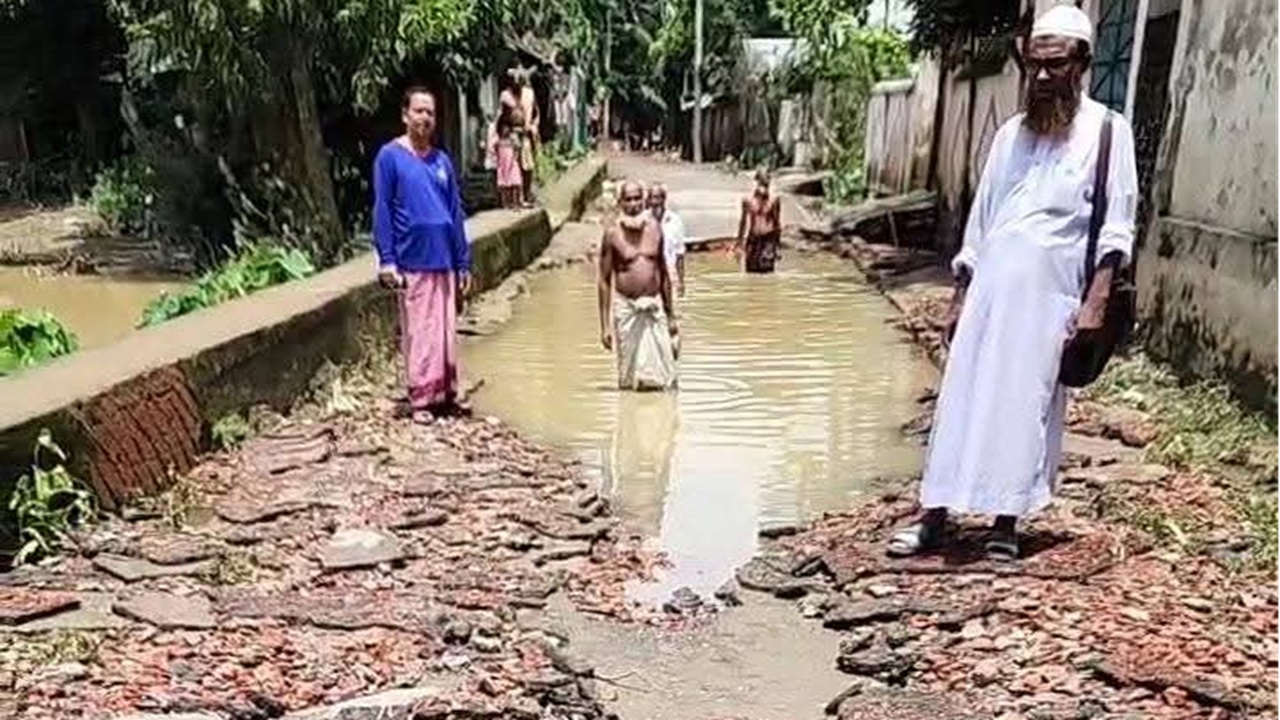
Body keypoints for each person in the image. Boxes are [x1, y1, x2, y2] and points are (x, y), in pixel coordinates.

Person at [886, 4, 1138, 562]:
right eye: (1035, 66)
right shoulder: (1009, 135)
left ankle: (1006, 520)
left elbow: (1117, 229)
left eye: (1055, 65)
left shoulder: (1107, 133)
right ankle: (934, 517)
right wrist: (959, 295)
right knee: (961, 400)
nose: (1043, 77)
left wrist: (1094, 304)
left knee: (1025, 406)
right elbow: (982, 220)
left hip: (1051, 298)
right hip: (990, 293)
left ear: (1082, 63)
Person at [371, 87, 474, 424]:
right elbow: (383, 208)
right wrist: (387, 259)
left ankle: (444, 394)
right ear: (405, 115)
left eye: (430, 112)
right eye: (419, 111)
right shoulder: (390, 157)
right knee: (420, 330)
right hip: (411, 257)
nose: (425, 118)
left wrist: (463, 261)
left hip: (443, 257)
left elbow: (455, 212)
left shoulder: (441, 160)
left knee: (444, 330)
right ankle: (421, 399)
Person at [597, 181, 679, 391]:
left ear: (643, 201)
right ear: (620, 203)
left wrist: (671, 316)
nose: (633, 204)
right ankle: (628, 420)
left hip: (654, 308)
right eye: (628, 199)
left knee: (667, 378)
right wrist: (605, 326)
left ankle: (665, 422)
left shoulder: (655, 229)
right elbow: (604, 280)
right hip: (627, 310)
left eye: (637, 199)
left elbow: (664, 274)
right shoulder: (612, 234)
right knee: (628, 378)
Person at [500, 66, 539, 207]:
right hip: (511, 135)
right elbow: (503, 117)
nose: (517, 84)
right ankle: (515, 199)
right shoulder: (506, 96)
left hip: (526, 134)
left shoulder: (529, 95)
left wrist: (533, 127)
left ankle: (526, 196)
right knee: (512, 167)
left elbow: (535, 113)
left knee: (527, 166)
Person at [736, 168, 781, 273]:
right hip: (753, 239)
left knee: (767, 272)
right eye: (761, 182)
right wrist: (739, 244)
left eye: (766, 183)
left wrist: (777, 246)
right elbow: (743, 222)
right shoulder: (748, 201)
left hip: (768, 240)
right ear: (756, 182)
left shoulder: (774, 201)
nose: (764, 186)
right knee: (750, 272)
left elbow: (777, 223)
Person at [647, 184, 687, 297]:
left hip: (669, 272)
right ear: (648, 200)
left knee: (671, 310)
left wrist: (681, 281)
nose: (655, 201)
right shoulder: (643, 220)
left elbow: (680, 254)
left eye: (658, 197)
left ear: (664, 199)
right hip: (648, 274)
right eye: (652, 197)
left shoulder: (675, 221)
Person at [489, 110, 523, 208]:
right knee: (504, 184)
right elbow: (492, 148)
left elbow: (517, 148)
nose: (505, 130)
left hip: (511, 162)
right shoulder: (497, 140)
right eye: (503, 127)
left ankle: (515, 202)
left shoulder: (513, 138)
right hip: (502, 164)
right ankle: (505, 203)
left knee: (515, 182)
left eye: (507, 127)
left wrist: (515, 157)